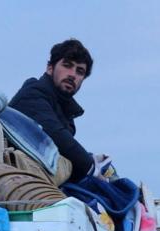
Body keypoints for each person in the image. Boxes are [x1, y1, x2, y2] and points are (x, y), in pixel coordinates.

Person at [9, 39, 107, 184]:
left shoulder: (62, 109)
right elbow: (58, 137)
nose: (73, 74)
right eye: (67, 65)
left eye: (80, 71)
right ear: (50, 68)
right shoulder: (32, 94)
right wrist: (94, 171)